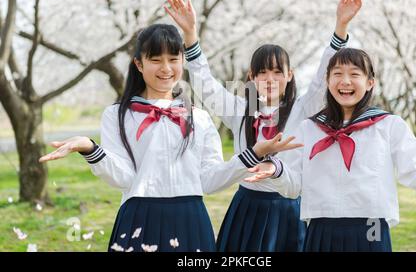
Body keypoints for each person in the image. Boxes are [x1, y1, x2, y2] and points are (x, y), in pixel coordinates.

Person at [39, 24, 300, 252]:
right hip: (139, 216)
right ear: (139, 64)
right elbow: (124, 178)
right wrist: (90, 149)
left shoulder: (199, 118)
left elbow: (209, 181)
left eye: (174, 59)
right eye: (155, 60)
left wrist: (252, 154)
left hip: (191, 219)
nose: (166, 68)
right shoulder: (117, 115)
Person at [164, 0, 362, 251]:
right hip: (247, 208)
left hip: (288, 209)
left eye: (278, 72)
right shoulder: (239, 110)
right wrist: (190, 35)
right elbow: (206, 86)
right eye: (263, 72)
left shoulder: (303, 109)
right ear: (251, 76)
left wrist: (341, 27)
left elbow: (324, 75)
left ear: (290, 75)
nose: (270, 78)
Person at [246, 48, 416, 252]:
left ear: (370, 82)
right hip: (321, 227)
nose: (345, 81)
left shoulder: (389, 126)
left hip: (372, 226)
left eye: (354, 74)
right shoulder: (309, 128)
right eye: (337, 74)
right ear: (327, 80)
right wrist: (276, 170)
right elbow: (293, 185)